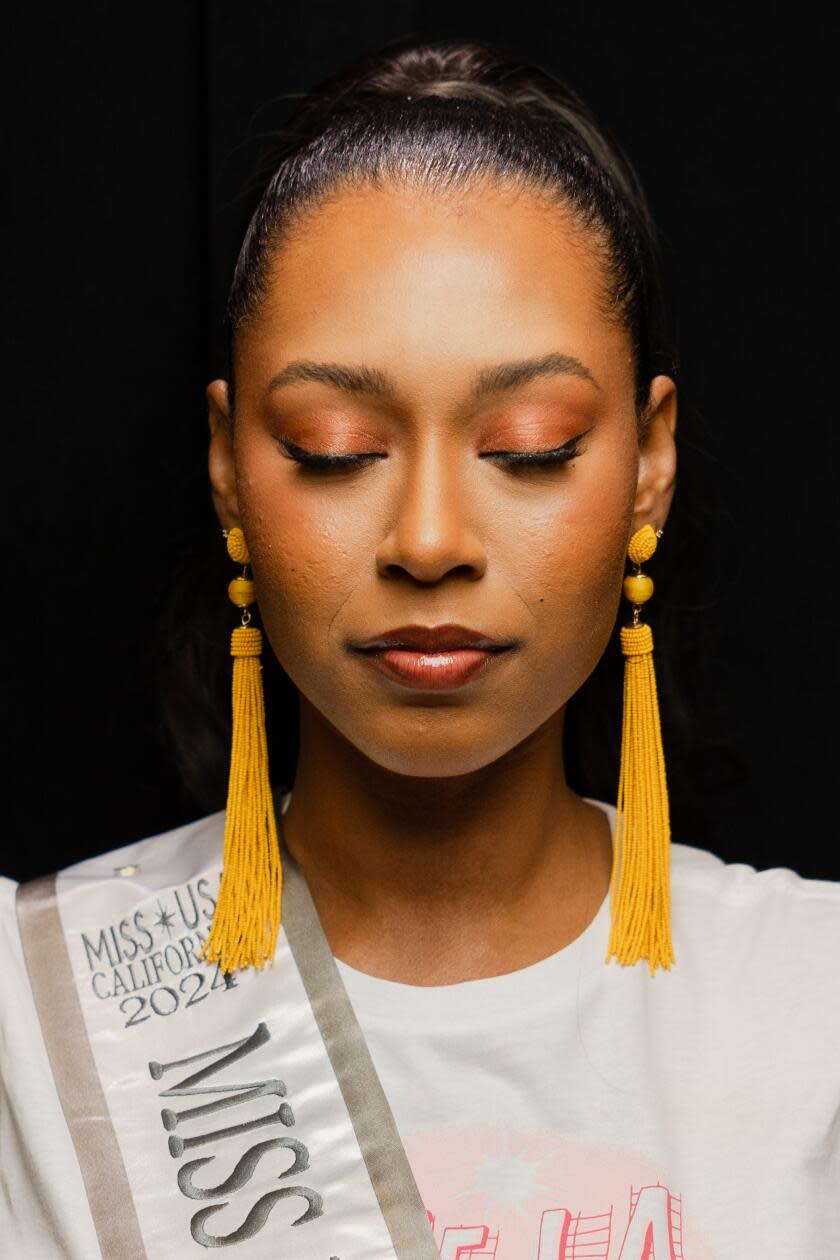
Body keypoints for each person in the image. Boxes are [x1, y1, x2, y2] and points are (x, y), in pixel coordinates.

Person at [1, 35, 838, 1260]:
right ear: (231, 468)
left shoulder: (814, 1009)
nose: (430, 539)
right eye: (336, 447)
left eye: (532, 444)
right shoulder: (32, 1024)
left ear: (648, 465)